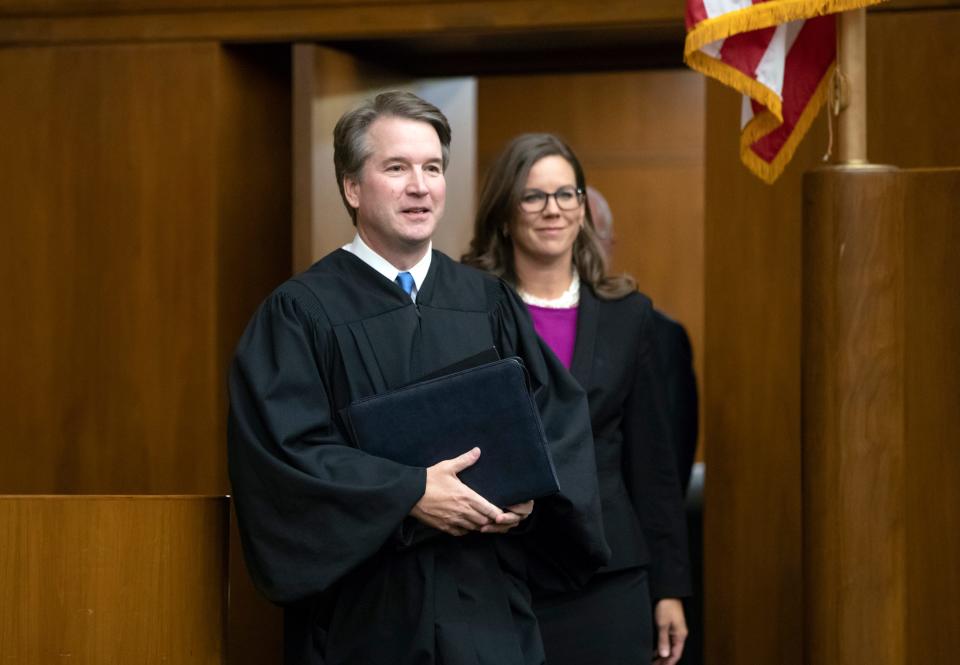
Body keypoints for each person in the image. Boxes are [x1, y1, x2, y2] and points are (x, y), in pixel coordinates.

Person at [227, 92, 609, 665]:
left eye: (432, 168)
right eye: (396, 167)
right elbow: (285, 455)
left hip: (485, 603)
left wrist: (534, 491)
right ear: (352, 187)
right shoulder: (302, 312)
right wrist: (409, 493)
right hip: (365, 615)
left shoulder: (486, 301)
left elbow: (556, 420)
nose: (420, 185)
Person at [463, 133, 692, 665]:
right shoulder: (468, 313)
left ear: (583, 209)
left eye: (567, 195)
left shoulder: (629, 316)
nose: (553, 210)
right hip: (498, 567)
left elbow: (653, 465)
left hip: (608, 573)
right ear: (504, 212)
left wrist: (669, 587)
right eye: (534, 196)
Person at [586, 186, 700, 496]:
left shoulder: (660, 334)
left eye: (588, 238)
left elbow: (670, 464)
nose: (577, 251)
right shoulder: (520, 324)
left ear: (609, 247)